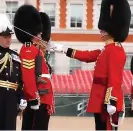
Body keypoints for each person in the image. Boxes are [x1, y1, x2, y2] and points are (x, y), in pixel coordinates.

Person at [51, 0, 131, 130]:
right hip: (100, 100)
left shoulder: (115, 50)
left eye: (103, 28)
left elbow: (115, 79)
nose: (101, 30)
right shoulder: (107, 49)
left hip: (107, 101)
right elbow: (87, 56)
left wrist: (112, 101)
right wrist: (64, 49)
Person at [13, 5, 54, 130]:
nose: (41, 33)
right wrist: (33, 97)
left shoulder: (36, 50)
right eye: (38, 31)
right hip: (38, 99)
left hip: (43, 98)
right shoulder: (28, 48)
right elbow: (28, 75)